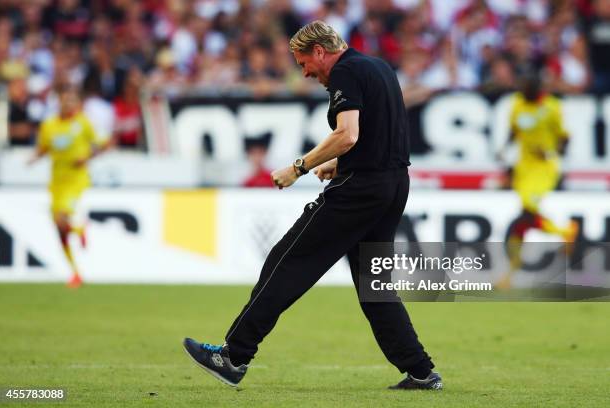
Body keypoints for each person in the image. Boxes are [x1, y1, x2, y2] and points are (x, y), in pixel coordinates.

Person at [183, 20, 441, 391]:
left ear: (320, 51)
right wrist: (338, 163)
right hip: (393, 184)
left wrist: (298, 167)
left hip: (360, 191)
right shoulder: (379, 67)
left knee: (286, 261)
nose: (304, 73)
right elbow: (380, 132)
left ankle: (233, 356)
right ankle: (420, 370)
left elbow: (347, 134)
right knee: (375, 288)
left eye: (304, 63)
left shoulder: (345, 73)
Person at [496, 74, 579, 288]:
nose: (522, 91)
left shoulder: (552, 107)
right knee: (524, 221)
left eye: (525, 87)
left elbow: (565, 138)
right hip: (524, 168)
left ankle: (565, 232)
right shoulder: (517, 104)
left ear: (536, 87)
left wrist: (552, 151)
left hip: (543, 168)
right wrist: (504, 151)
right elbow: (513, 131)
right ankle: (509, 276)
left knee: (527, 213)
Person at [28, 84, 111, 288]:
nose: (68, 104)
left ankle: (79, 228)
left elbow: (104, 143)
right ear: (59, 102)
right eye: (65, 100)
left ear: (77, 103)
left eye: (72, 100)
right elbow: (44, 148)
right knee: (59, 228)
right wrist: (32, 159)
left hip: (76, 179)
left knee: (61, 217)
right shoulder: (49, 125)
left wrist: (87, 157)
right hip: (57, 180)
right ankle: (75, 271)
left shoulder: (83, 123)